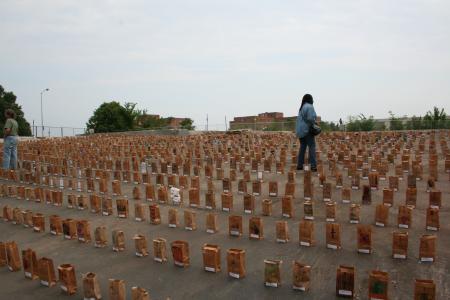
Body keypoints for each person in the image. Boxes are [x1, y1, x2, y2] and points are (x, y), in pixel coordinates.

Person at [295, 94, 317, 171]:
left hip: (300, 131)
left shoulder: (301, 108)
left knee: (302, 148)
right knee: (312, 147)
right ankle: (313, 166)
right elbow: (311, 118)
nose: (313, 101)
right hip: (307, 130)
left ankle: (299, 165)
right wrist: (315, 123)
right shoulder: (309, 106)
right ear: (309, 99)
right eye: (312, 99)